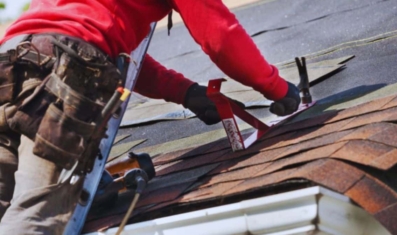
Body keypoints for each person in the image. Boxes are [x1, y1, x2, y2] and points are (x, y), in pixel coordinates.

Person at [0, 0, 301, 234]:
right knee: (38, 214)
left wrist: (185, 92)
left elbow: (102, 49)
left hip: (11, 65)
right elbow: (220, 36)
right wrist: (276, 87)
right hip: (66, 75)